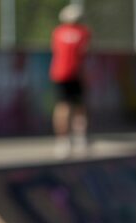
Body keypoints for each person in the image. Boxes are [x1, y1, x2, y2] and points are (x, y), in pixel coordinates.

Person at [49, 4, 91, 158]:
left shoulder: (57, 32)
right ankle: (80, 139)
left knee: (62, 107)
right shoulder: (84, 33)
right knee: (79, 107)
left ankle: (62, 141)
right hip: (75, 74)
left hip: (59, 74)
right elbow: (84, 53)